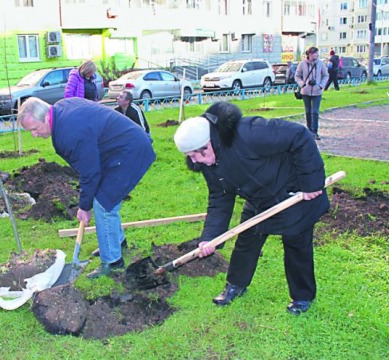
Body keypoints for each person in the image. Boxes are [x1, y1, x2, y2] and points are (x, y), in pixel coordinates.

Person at [173, 101, 329, 315]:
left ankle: (302, 297)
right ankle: (235, 285)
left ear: (210, 141)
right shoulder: (206, 163)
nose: (198, 161)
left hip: (294, 192)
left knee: (296, 244)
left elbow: (299, 135)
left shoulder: (249, 132)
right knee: (246, 240)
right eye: (191, 157)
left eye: (200, 154)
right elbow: (220, 197)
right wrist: (210, 237)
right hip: (259, 198)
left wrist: (311, 183)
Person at [18, 97, 155, 278]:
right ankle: (116, 243)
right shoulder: (61, 109)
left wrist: (84, 207)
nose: (34, 135)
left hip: (129, 152)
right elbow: (90, 166)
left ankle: (113, 262)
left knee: (104, 204)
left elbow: (89, 172)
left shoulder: (68, 133)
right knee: (105, 198)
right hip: (116, 150)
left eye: (35, 129)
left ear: (46, 117)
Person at [295, 46, 329, 140]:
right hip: (305, 91)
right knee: (308, 111)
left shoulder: (320, 63)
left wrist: (320, 85)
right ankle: (309, 130)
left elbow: (326, 75)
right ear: (310, 54)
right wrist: (302, 84)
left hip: (317, 91)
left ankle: (315, 131)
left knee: (315, 111)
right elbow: (297, 76)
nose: (317, 55)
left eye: (317, 53)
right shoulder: (302, 64)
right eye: (315, 53)